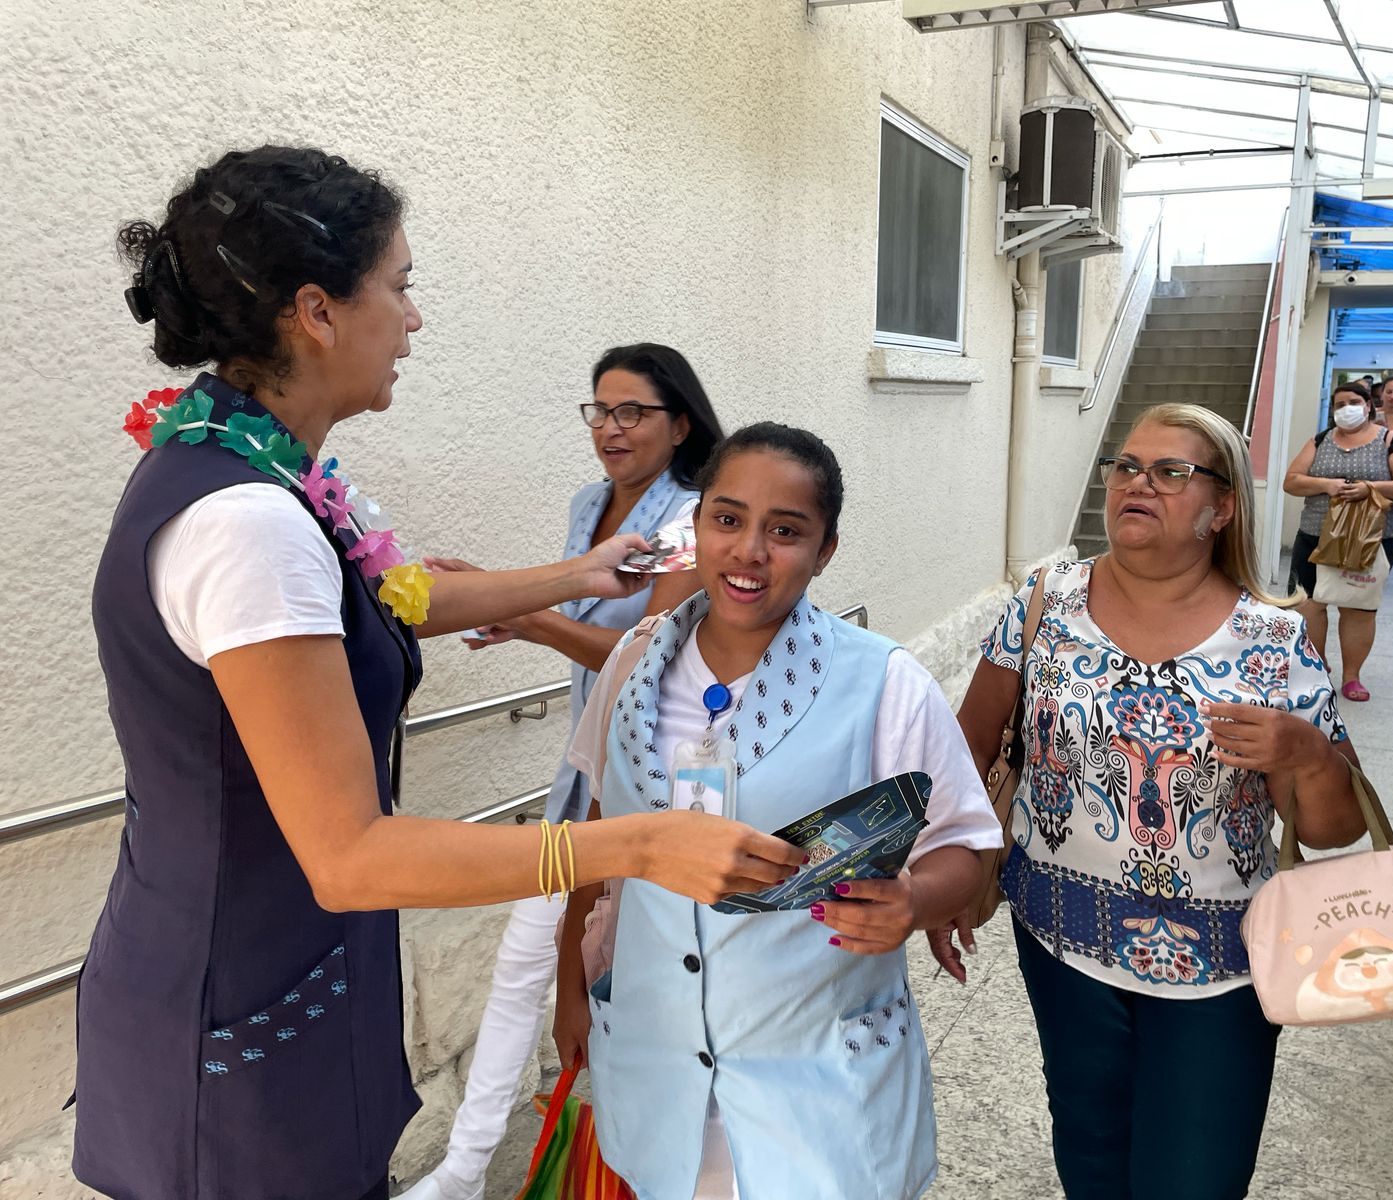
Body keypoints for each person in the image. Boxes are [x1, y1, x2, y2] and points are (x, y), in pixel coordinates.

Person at [81, 146, 803, 1200]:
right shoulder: (249, 525)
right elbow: (349, 855)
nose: (413, 320)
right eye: (400, 286)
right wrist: (644, 844)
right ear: (317, 312)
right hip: (235, 1023)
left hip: (260, 973)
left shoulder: (245, 464)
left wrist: (576, 575)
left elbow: (391, 596)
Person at [553, 423, 1003, 1200]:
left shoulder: (883, 682)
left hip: (816, 1090)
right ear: (697, 525)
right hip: (658, 1073)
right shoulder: (633, 666)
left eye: (786, 531)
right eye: (727, 519)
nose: (749, 551)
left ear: (826, 550)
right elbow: (596, 842)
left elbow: (965, 844)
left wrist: (913, 902)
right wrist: (570, 987)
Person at [929, 403, 1365, 1200]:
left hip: (1222, 966)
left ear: (1221, 507)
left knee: (1195, 1176)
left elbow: (1335, 828)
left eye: (1170, 472)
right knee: (1090, 1154)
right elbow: (969, 747)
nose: (1138, 483)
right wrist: (947, 875)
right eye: (1127, 467)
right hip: (1061, 940)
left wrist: (1304, 751)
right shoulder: (1045, 601)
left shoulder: (1274, 639)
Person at [399, 344, 721, 1200]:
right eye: (599, 411)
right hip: (581, 769)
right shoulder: (589, 506)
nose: (610, 428)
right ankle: (466, 1167)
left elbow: (641, 655)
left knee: (606, 971)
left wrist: (525, 613)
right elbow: (582, 620)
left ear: (680, 424)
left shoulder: (692, 520)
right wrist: (517, 613)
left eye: (632, 412)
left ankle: (634, 1160)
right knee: (524, 961)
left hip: (647, 782)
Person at [1282, 381, 1393, 702]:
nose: (1346, 409)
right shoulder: (1320, 441)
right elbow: (1291, 482)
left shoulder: (1390, 441)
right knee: (1308, 604)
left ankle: (1352, 677)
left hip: (1371, 539)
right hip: (1315, 535)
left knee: (1357, 608)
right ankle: (1316, 666)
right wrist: (1326, 485)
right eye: (1339, 404)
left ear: (1368, 406)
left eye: (1353, 402)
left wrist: (1370, 488)